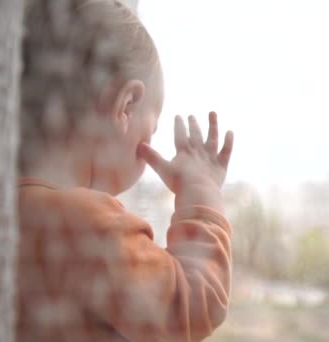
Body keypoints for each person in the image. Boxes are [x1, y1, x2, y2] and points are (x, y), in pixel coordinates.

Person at [17, 0, 234, 341]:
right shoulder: (88, 226)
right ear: (126, 106)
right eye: (152, 130)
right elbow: (192, 306)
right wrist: (201, 191)